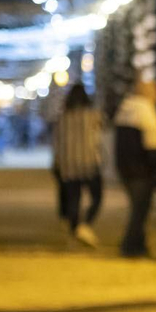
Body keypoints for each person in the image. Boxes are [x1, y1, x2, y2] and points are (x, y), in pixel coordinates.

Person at [113, 78, 156, 258]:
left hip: (124, 167)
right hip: (141, 169)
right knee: (140, 209)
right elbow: (153, 144)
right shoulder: (146, 111)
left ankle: (138, 243)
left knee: (137, 207)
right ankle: (131, 244)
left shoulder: (124, 108)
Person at [52, 83, 104, 247]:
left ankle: (74, 231)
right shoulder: (93, 116)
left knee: (74, 199)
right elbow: (99, 138)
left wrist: (57, 163)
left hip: (68, 165)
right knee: (97, 197)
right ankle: (85, 225)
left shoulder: (63, 118)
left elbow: (57, 143)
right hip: (89, 163)